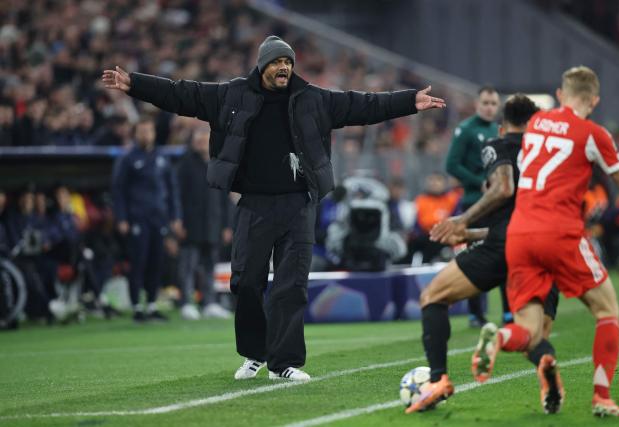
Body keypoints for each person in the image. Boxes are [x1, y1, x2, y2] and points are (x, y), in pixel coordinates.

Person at [103, 35, 446, 380]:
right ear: (263, 65)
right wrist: (135, 85)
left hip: (299, 205)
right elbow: (182, 94)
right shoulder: (232, 95)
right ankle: (255, 353)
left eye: (288, 62)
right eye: (277, 62)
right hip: (255, 204)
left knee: (291, 285)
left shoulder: (313, 99)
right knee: (246, 282)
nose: (284, 67)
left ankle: (284, 364)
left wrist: (408, 101)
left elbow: (364, 105)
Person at [472, 66, 619, 417]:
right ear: (594, 101)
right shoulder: (593, 133)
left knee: (529, 331)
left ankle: (498, 338)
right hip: (559, 232)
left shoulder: (536, 125)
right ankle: (602, 398)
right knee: (608, 310)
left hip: (519, 233)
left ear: (561, 95)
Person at [405, 94, 559, 413]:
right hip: (545, 247)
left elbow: (504, 189)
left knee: (433, 296)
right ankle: (545, 364)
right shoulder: (548, 157)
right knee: (531, 335)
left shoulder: (497, 145)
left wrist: (462, 220)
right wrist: (469, 232)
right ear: (535, 124)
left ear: (502, 127)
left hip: (504, 244)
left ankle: (439, 379)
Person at [111, 117, 183, 323]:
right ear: (135, 134)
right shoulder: (127, 159)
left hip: (158, 219)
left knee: (156, 262)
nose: (146, 135)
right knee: (138, 262)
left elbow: (172, 190)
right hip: (137, 219)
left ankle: (151, 305)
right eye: (142, 131)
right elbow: (118, 192)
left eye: (149, 131)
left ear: (153, 133)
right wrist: (122, 217)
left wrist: (175, 216)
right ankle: (136, 307)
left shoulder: (161, 158)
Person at [445, 86, 505, 327]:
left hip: (498, 201)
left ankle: (509, 313)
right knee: (477, 258)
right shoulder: (466, 129)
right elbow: (452, 164)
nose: (490, 107)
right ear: (477, 104)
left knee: (504, 255)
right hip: (474, 203)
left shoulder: (497, 130)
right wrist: (478, 182)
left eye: (493, 103)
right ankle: (475, 314)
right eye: (486, 103)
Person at [177, 125, 232, 320]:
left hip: (214, 224)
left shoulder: (218, 163)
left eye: (204, 138)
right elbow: (177, 195)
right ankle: (187, 303)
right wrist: (178, 220)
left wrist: (227, 225)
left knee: (211, 266)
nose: (201, 142)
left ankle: (209, 302)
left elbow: (225, 197)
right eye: (198, 138)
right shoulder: (185, 164)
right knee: (188, 265)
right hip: (191, 224)